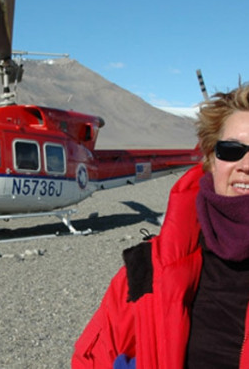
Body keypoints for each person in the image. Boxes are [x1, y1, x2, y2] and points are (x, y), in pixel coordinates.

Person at [72, 83, 249, 369]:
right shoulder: (146, 272)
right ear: (211, 161)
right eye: (231, 150)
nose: (246, 164)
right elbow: (92, 359)